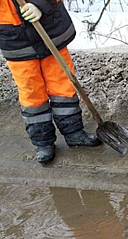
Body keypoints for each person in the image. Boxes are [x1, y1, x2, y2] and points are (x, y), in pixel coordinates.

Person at [0, 0, 101, 164]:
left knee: (63, 85)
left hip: (50, 28)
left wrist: (40, 4)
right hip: (14, 39)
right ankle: (43, 142)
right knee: (31, 93)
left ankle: (73, 131)